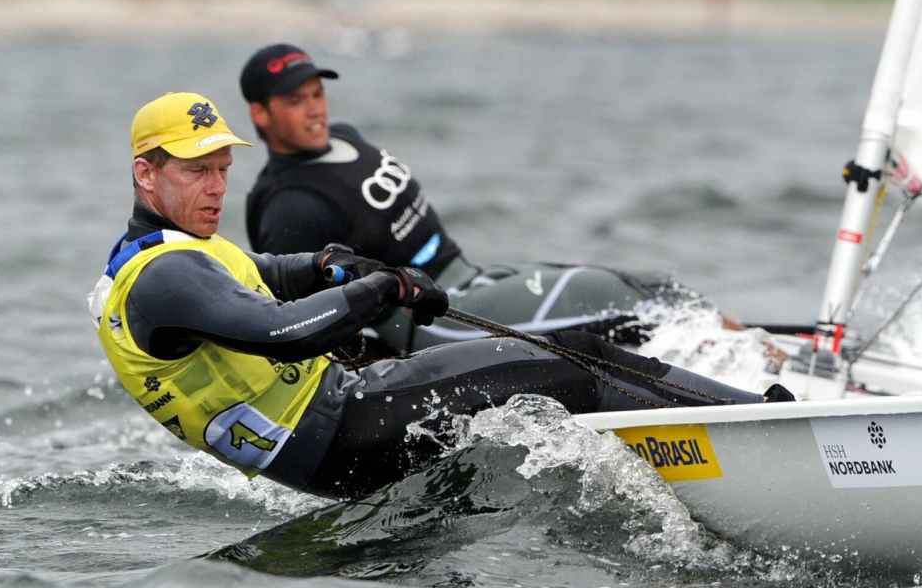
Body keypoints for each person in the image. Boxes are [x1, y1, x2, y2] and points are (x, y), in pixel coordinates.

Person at [89, 92, 790, 500]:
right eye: (196, 173)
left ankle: (705, 455)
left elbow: (263, 272)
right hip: (343, 432)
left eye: (221, 170)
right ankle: (762, 438)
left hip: (338, 436)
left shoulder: (174, 251)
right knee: (574, 358)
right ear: (146, 175)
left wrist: (327, 262)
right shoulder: (164, 278)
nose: (216, 188)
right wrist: (382, 287)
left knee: (550, 386)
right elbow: (280, 331)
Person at [239, 43, 727, 357]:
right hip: (437, 322)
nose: (314, 110)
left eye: (317, 93)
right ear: (260, 115)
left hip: (471, 275)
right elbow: (309, 327)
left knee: (649, 285)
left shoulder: (344, 137)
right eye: (295, 101)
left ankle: (750, 351)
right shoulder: (289, 205)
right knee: (614, 297)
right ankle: (732, 364)